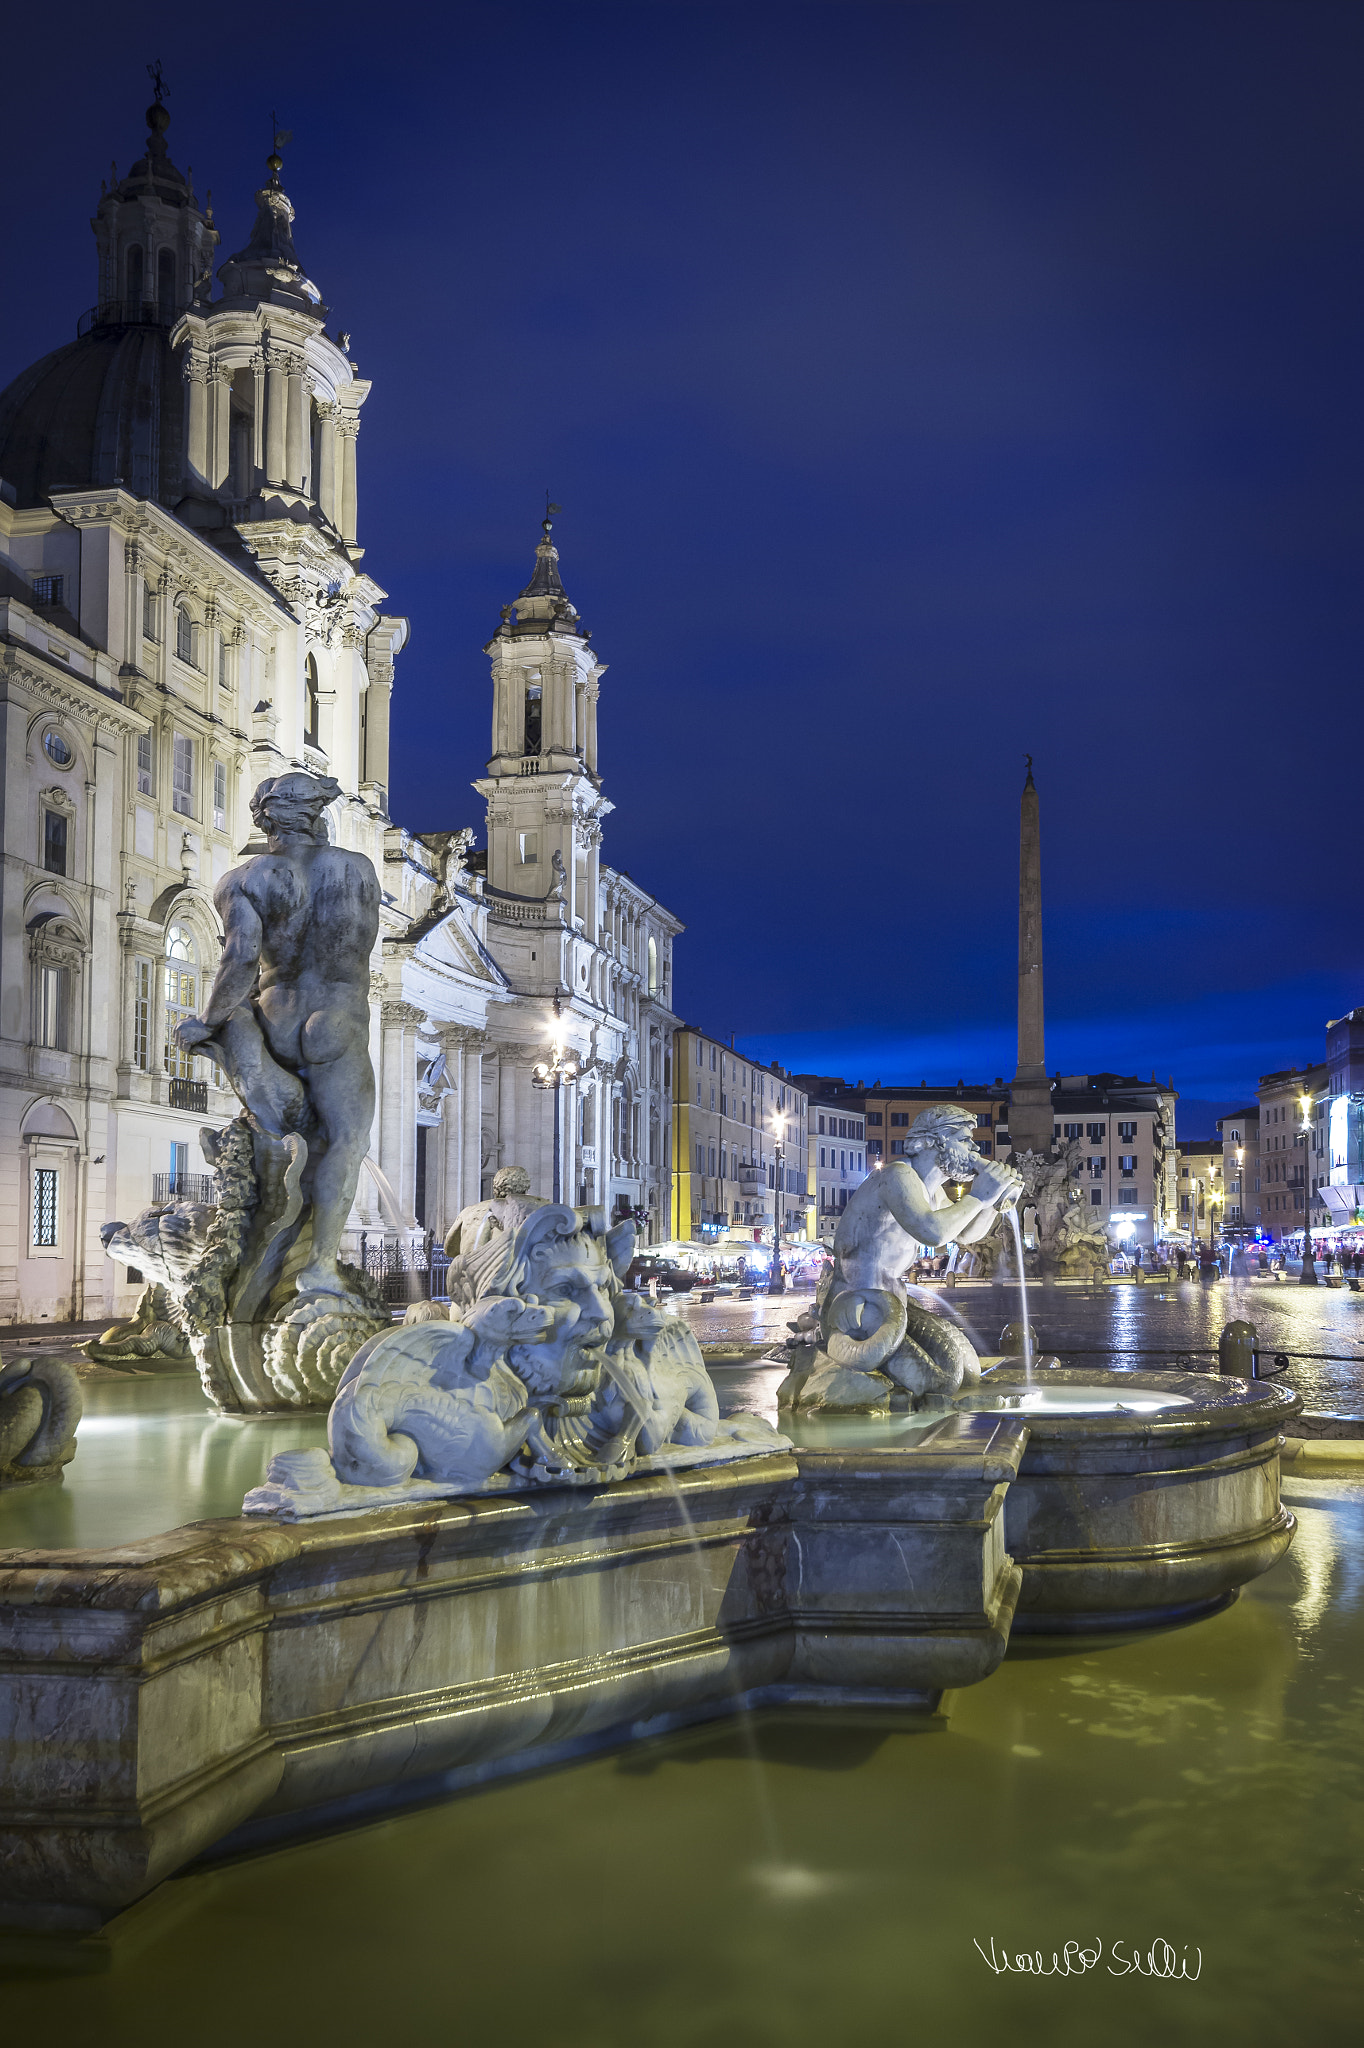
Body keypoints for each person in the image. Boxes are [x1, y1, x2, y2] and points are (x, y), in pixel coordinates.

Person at [175, 771, 378, 1299]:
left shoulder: (244, 880)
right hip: (338, 1018)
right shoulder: (358, 871)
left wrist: (209, 1019)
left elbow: (240, 958)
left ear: (264, 819)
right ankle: (320, 1266)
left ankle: (261, 1247)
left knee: (274, 1126)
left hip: (274, 1016)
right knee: (346, 1143)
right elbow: (358, 949)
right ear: (315, 815)